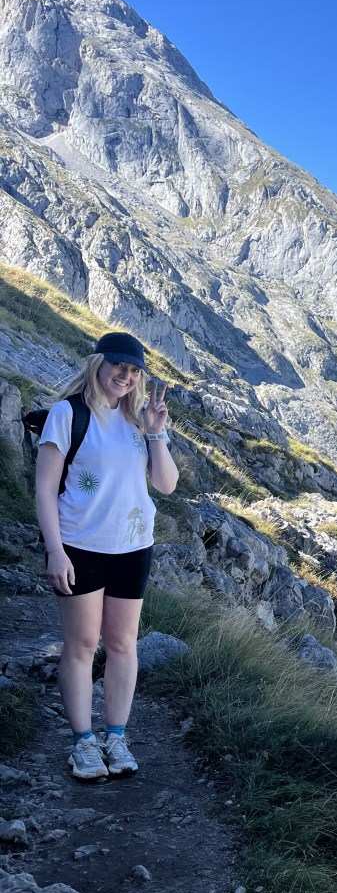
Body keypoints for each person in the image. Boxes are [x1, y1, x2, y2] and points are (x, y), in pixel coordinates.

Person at [35, 331, 179, 781]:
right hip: (81, 546)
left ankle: (116, 736)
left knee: (121, 645)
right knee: (81, 646)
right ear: (98, 363)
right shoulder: (68, 414)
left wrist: (157, 435)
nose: (126, 375)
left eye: (134, 370)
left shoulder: (140, 421)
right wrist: (55, 551)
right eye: (119, 365)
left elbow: (166, 484)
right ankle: (83, 743)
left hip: (133, 547)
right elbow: (43, 488)